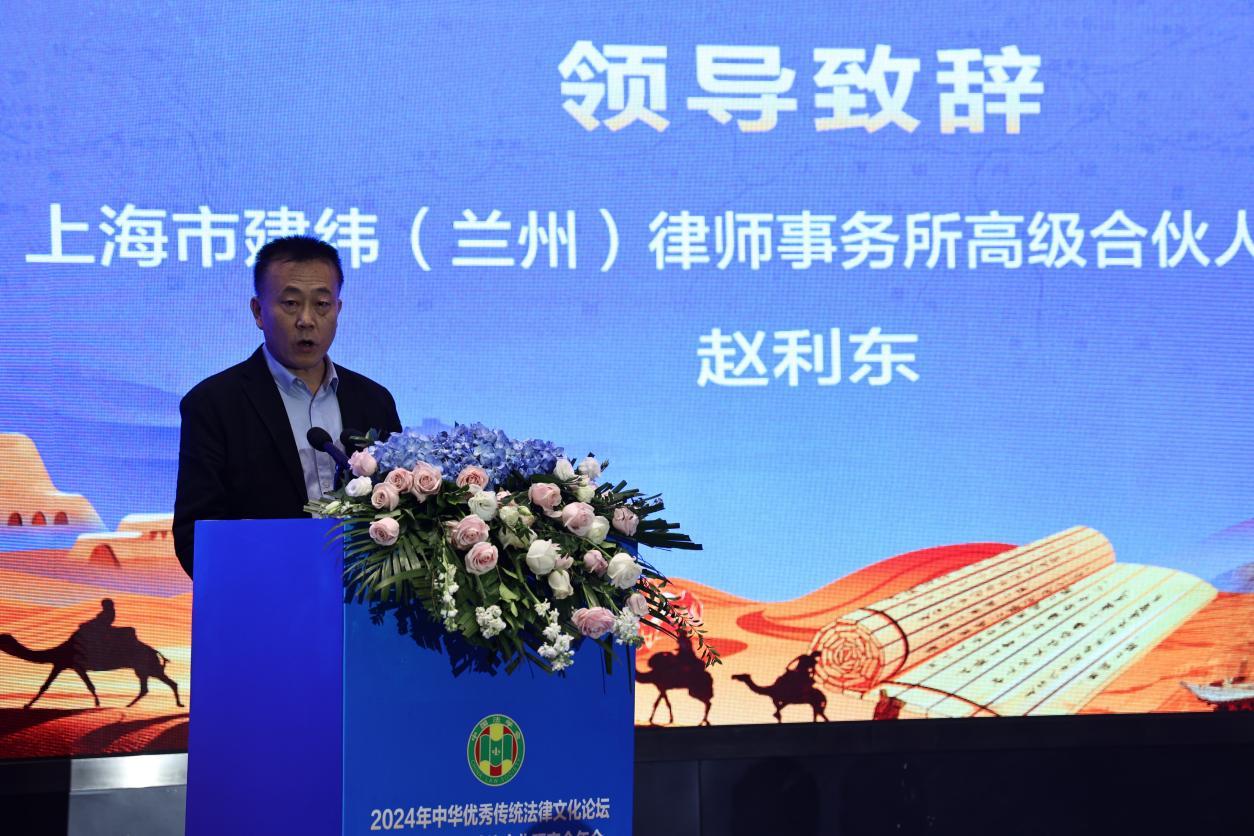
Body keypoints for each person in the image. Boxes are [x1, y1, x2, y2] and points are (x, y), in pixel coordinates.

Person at [173, 236, 401, 577]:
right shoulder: (214, 404)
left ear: (338, 310)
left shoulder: (374, 400)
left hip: (363, 596)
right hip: (264, 595)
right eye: (291, 304)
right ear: (258, 312)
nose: (306, 319)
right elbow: (195, 536)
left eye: (322, 304)